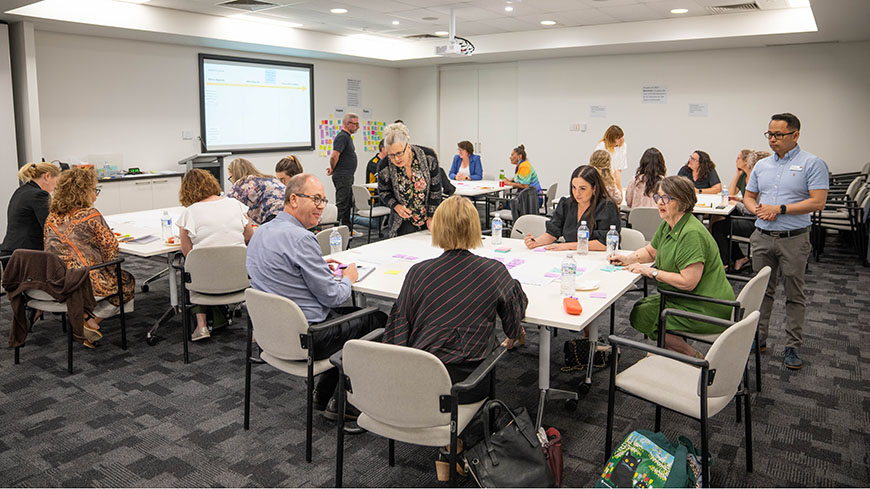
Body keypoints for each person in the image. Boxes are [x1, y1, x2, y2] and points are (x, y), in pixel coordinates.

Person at [246, 173, 387, 418]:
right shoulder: (302, 238)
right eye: (316, 199)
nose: (321, 207)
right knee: (377, 320)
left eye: (323, 200)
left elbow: (283, 274)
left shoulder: (260, 233)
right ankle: (345, 403)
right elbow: (333, 297)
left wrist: (318, 267)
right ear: (293, 199)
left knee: (348, 318)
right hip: (307, 337)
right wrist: (348, 278)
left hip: (271, 334)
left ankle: (322, 394)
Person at [384, 195, 527, 403]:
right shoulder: (493, 272)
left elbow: (397, 331)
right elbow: (513, 329)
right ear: (475, 229)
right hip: (469, 384)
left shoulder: (418, 273)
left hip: (419, 379)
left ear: (437, 228)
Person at [609, 176, 735, 358]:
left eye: (666, 198)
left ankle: (692, 357)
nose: (660, 203)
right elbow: (651, 251)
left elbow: (688, 282)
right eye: (658, 197)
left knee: (645, 313)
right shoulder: (669, 223)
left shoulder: (691, 233)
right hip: (685, 297)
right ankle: (671, 349)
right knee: (642, 309)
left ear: (683, 202)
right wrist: (628, 259)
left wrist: (651, 271)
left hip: (706, 304)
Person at [743, 113, 828, 369]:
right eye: (769, 134)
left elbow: (818, 201)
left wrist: (779, 209)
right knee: (761, 293)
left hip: (794, 239)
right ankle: (759, 339)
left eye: (779, 135)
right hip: (762, 236)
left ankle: (793, 346)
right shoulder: (762, 165)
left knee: (794, 294)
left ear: (795, 135)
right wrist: (756, 209)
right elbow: (749, 196)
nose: (773, 139)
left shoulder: (813, 163)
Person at [44, 167, 135, 347]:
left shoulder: (51, 217)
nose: (96, 194)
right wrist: (107, 270)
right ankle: (91, 321)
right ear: (83, 191)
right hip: (85, 280)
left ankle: (84, 316)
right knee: (127, 282)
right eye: (95, 189)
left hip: (57, 280)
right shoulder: (91, 215)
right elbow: (111, 250)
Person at [177, 169, 254, 342]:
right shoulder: (235, 205)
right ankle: (256, 327)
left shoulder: (189, 213)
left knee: (193, 269)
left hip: (206, 283)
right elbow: (250, 237)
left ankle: (201, 325)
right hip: (239, 276)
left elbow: (188, 253)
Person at [525, 165, 620, 251]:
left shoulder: (606, 207)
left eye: (582, 189)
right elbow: (552, 233)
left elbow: (605, 243)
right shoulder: (566, 204)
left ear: (594, 188)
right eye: (574, 187)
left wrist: (567, 246)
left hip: (599, 257)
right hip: (572, 256)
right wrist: (536, 242)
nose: (577, 193)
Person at [378, 122, 442, 237]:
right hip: (403, 221)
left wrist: (431, 216)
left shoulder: (428, 157)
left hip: (429, 217)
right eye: (391, 155)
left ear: (408, 146)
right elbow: (383, 192)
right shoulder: (384, 166)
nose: (396, 159)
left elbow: (436, 188)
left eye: (399, 153)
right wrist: (396, 206)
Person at [711, 150, 770, 272]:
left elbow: (755, 209)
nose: (736, 160)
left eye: (738, 158)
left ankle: (725, 263)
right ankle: (738, 257)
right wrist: (740, 200)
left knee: (718, 227)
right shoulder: (748, 177)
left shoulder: (761, 182)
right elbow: (746, 199)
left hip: (755, 222)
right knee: (722, 220)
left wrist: (737, 203)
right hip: (752, 218)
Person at [1, 162, 60, 258]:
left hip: (12, 251)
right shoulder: (39, 195)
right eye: (56, 182)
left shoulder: (21, 191)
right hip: (26, 254)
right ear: (47, 176)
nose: (55, 187)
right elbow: (49, 226)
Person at [227, 158, 286, 224]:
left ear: (235, 175)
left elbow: (227, 206)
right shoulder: (269, 179)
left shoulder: (242, 183)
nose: (232, 182)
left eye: (231, 178)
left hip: (274, 215)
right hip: (289, 212)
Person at [327, 112, 359, 228]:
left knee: (347, 204)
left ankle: (347, 230)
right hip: (343, 176)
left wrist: (333, 168)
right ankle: (333, 231)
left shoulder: (347, 137)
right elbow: (334, 156)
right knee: (342, 205)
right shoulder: (342, 137)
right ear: (347, 123)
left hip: (347, 176)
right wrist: (333, 168)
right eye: (355, 124)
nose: (358, 127)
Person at [595, 125, 627, 193]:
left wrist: (618, 188)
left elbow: (619, 169)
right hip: (601, 178)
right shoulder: (602, 146)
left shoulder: (623, 146)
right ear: (611, 139)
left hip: (613, 179)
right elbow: (597, 167)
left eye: (622, 136)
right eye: (618, 138)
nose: (621, 140)